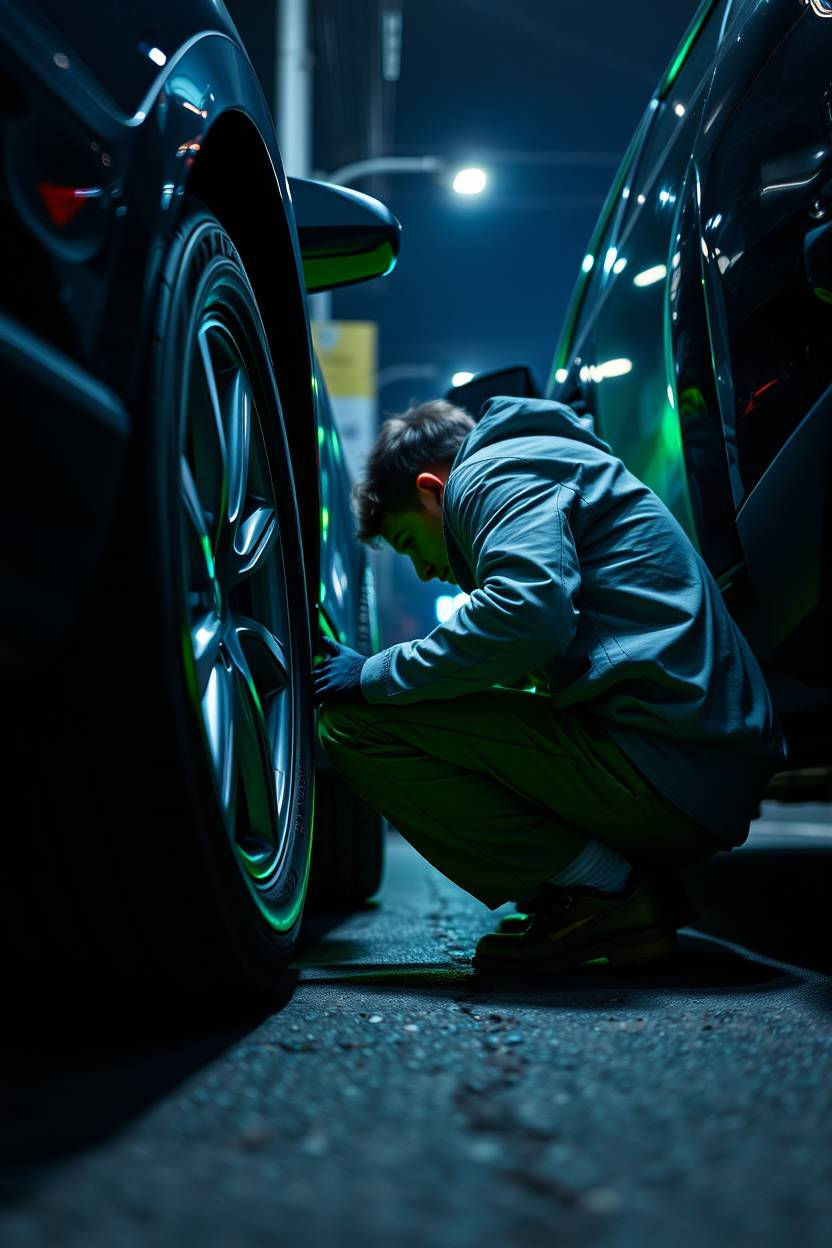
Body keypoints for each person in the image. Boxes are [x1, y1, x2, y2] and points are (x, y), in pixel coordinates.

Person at [314, 396, 786, 974]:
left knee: (355, 724)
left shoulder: (493, 473)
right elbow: (532, 643)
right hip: (693, 757)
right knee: (430, 698)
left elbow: (527, 615)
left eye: (410, 544)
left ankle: (606, 897)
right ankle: (608, 890)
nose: (425, 571)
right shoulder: (545, 462)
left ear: (432, 489)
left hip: (673, 764)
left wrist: (371, 672)